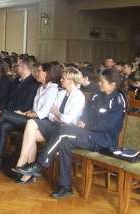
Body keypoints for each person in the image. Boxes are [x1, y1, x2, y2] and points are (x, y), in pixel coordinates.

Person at [16, 68, 127, 199]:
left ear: (112, 85)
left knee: (63, 132)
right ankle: (65, 186)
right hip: (86, 133)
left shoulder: (118, 102)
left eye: (102, 82)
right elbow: (86, 112)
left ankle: (40, 164)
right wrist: (82, 121)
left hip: (102, 140)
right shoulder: (97, 94)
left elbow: (105, 125)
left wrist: (86, 125)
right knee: (65, 143)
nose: (99, 84)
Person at [0, 62, 60, 174]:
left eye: (39, 71)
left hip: (39, 123)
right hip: (31, 118)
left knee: (4, 114)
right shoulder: (41, 88)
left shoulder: (52, 90)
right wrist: (24, 112)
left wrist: (24, 114)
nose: (36, 72)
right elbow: (33, 108)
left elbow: (42, 114)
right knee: (3, 126)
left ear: (46, 74)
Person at [15, 67, 86, 183]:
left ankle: (25, 166)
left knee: (31, 133)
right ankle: (26, 165)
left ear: (70, 81)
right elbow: (50, 114)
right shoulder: (61, 93)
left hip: (65, 131)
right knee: (31, 126)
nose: (60, 80)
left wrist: (57, 114)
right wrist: (58, 116)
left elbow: (68, 119)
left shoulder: (79, 97)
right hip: (55, 125)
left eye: (63, 78)